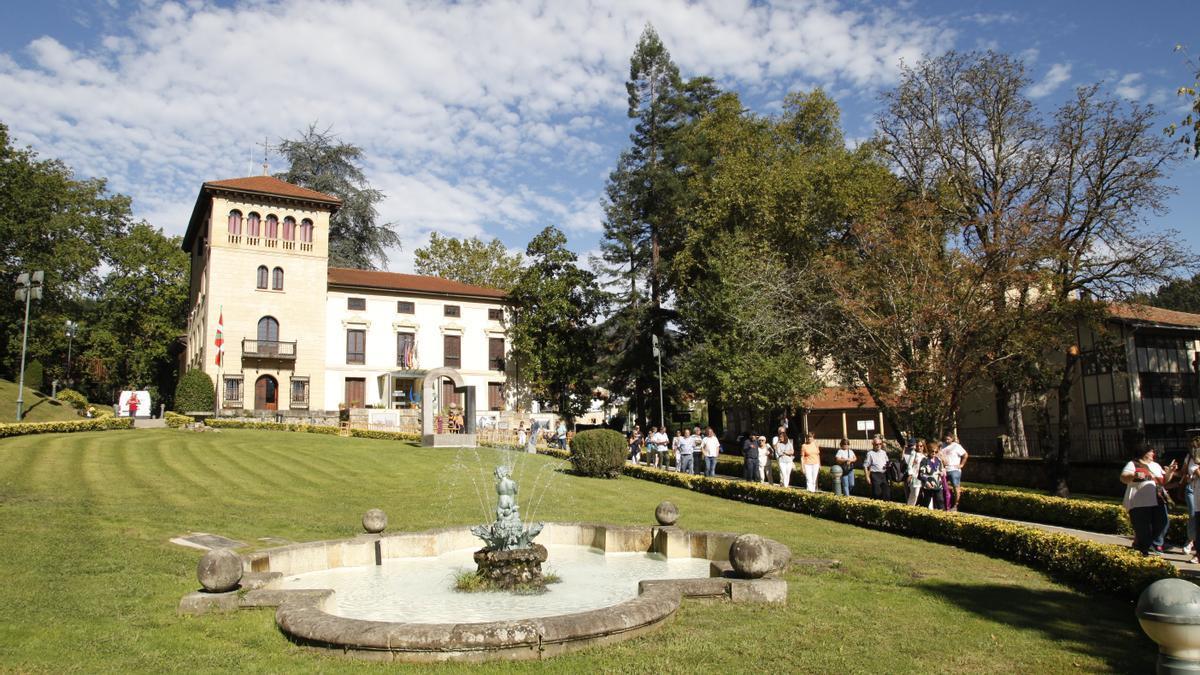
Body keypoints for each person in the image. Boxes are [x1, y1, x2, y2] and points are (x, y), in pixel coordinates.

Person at [1121, 444, 1176, 556]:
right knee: (1143, 526)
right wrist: (1134, 475)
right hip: (1140, 501)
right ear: (1144, 452)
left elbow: (1164, 481)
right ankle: (1145, 547)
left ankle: (1155, 544)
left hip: (1158, 498)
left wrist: (1170, 472)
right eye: (1151, 451)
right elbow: (1123, 478)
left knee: (1163, 522)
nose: (1153, 454)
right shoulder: (1133, 464)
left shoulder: (1156, 465)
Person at [940, 434, 969, 512]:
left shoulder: (957, 446)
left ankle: (956, 505)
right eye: (946, 439)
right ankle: (945, 505)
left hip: (954, 470)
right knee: (941, 487)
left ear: (952, 439)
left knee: (956, 487)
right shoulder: (942, 445)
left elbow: (965, 455)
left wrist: (961, 465)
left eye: (948, 439)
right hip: (944, 470)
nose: (947, 441)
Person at [1184, 438, 1200, 564]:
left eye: (1195, 447)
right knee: (1195, 519)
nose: (1193, 449)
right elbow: (1183, 473)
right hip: (1195, 492)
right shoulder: (1190, 459)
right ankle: (1196, 551)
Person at [918, 442, 945, 510]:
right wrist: (926, 482)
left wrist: (942, 472)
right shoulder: (924, 460)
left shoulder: (938, 460)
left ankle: (943, 517)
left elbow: (942, 470)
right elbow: (921, 474)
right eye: (932, 451)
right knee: (926, 502)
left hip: (938, 484)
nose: (934, 453)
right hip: (928, 485)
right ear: (928, 451)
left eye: (936, 451)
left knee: (940, 501)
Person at [863, 436, 891, 500]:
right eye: (876, 444)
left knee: (886, 494)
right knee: (877, 493)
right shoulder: (870, 453)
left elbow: (887, 463)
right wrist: (867, 477)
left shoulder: (883, 452)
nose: (878, 445)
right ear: (873, 444)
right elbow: (865, 466)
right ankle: (874, 506)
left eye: (880, 444)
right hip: (875, 474)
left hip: (884, 474)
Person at [903, 438, 924, 506]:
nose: (919, 447)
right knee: (915, 494)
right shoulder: (914, 453)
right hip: (915, 476)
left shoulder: (925, 455)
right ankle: (910, 507)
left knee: (924, 494)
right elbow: (909, 465)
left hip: (924, 477)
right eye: (917, 446)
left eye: (921, 446)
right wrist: (910, 474)